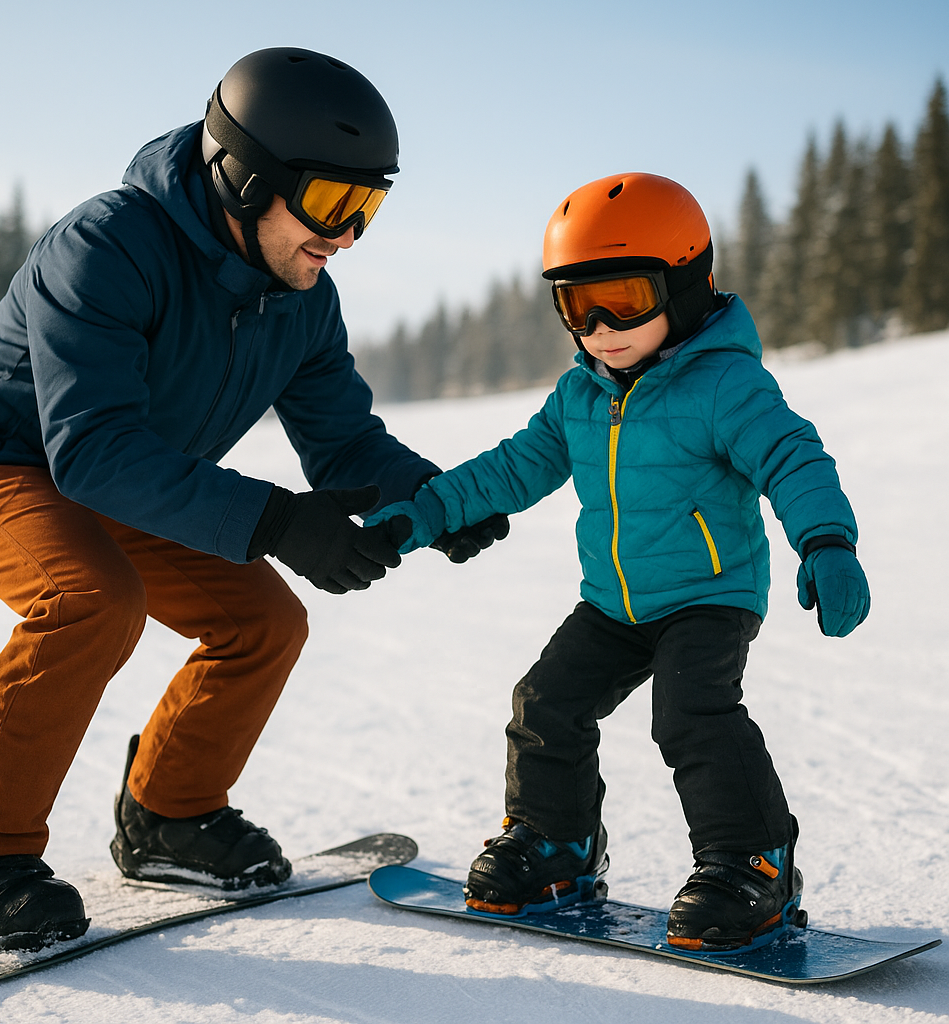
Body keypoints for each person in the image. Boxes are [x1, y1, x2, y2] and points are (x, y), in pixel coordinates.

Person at [0, 47, 505, 951]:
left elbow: (344, 441)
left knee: (263, 621)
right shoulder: (107, 245)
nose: (348, 234)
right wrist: (274, 521)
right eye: (331, 204)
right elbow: (90, 448)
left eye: (369, 207)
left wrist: (436, 498)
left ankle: (169, 816)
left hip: (129, 473)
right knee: (90, 599)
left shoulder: (302, 297)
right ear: (242, 178)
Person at [366, 172, 870, 952]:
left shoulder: (725, 384)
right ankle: (557, 845)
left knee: (693, 714)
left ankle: (752, 863)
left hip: (708, 594)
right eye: (576, 304)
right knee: (546, 701)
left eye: (625, 298)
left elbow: (793, 457)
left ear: (688, 285)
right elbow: (516, 466)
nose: (600, 326)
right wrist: (431, 507)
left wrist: (828, 541)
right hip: (612, 601)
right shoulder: (579, 394)